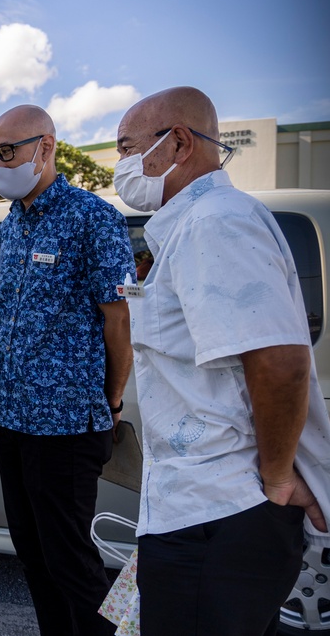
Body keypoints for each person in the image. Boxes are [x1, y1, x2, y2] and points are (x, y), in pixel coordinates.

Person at [115, 86, 330, 636]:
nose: (121, 166)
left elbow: (280, 362)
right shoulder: (193, 223)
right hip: (197, 506)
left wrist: (277, 477)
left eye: (127, 148)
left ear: (179, 143)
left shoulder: (215, 222)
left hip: (220, 511)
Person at [0, 105, 134, 636]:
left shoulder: (93, 218)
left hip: (69, 426)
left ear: (45, 148)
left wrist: (111, 401)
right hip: (15, 421)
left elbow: (120, 321)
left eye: (8, 150)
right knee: (33, 556)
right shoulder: (12, 224)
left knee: (73, 563)